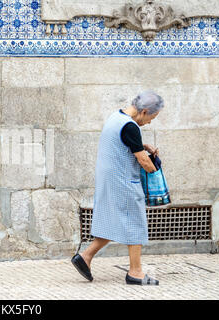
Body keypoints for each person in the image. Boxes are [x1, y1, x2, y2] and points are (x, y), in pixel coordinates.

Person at [71, 90, 164, 286]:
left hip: (109, 178)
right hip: (123, 181)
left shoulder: (117, 116)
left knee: (113, 220)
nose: (150, 122)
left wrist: (142, 145)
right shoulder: (130, 127)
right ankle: (136, 272)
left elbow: (122, 142)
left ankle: (85, 257)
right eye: (152, 118)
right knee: (135, 222)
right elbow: (144, 163)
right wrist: (155, 167)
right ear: (145, 111)